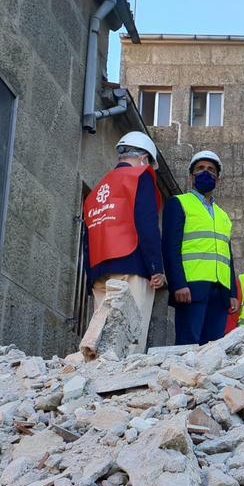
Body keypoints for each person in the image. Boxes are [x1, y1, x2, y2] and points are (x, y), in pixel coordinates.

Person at [80, 131, 165, 355]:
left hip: (100, 271)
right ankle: (124, 387)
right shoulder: (140, 177)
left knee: (101, 339)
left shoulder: (98, 190)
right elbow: (147, 224)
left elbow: (87, 237)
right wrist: (156, 267)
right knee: (130, 337)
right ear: (145, 159)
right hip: (132, 267)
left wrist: (91, 279)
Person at [162, 150, 239, 345]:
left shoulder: (223, 215)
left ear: (218, 179)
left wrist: (232, 294)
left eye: (211, 170)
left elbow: (227, 257)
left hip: (220, 293)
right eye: (200, 168)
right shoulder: (179, 203)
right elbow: (170, 247)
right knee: (188, 347)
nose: (206, 172)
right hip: (191, 289)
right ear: (191, 176)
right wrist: (178, 283)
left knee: (213, 350)